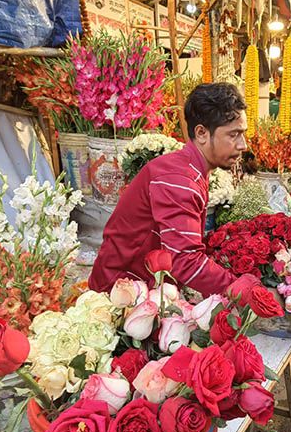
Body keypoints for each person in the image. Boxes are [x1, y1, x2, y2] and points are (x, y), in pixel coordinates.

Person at [89, 83, 247, 296]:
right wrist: (241, 290)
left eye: (242, 134)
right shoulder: (179, 179)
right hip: (120, 292)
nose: (243, 145)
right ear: (201, 133)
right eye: (233, 135)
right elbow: (186, 261)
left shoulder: (189, 169)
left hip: (145, 286)